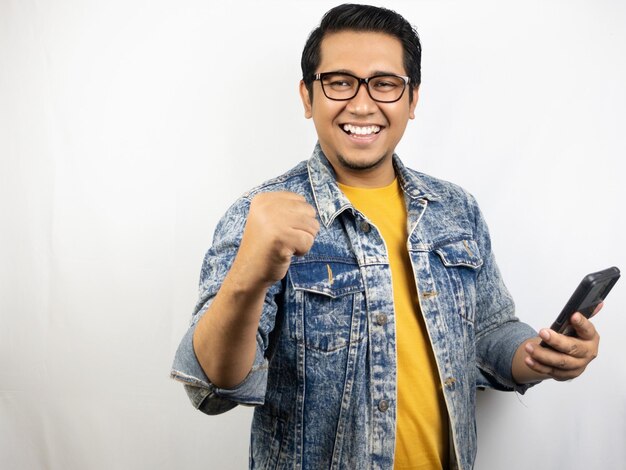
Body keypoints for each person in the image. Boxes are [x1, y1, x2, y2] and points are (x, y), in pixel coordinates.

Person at [171, 4, 600, 469]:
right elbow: (211, 387)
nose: (361, 104)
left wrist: (538, 356)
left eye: (385, 83)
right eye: (339, 81)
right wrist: (247, 277)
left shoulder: (456, 209)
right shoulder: (260, 215)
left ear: (412, 100)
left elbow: (488, 332)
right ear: (307, 96)